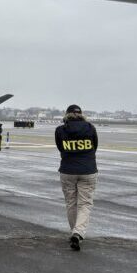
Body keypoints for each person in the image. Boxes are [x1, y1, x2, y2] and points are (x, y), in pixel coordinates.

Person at [55, 104, 98, 250]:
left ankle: (75, 232)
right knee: (85, 204)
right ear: (81, 114)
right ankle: (78, 233)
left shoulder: (60, 130)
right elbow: (95, 146)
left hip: (68, 170)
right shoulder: (90, 128)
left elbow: (60, 148)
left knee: (71, 203)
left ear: (66, 115)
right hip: (88, 170)